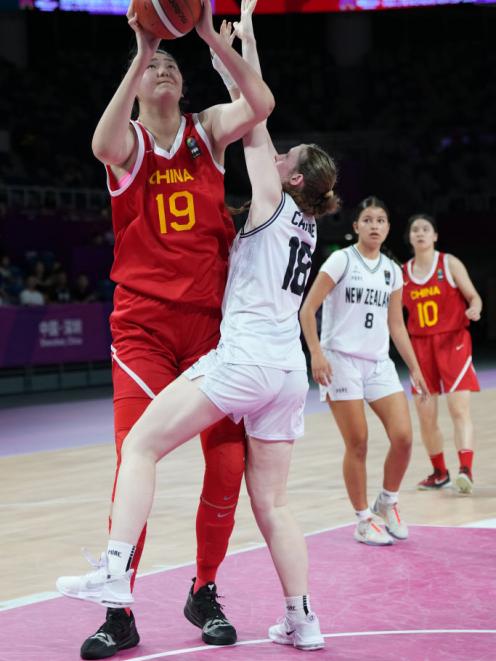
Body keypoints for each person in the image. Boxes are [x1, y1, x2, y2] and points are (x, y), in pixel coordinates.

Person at [57, 1, 338, 651]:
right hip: (231, 353)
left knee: (176, 454)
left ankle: (158, 577)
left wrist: (216, 36)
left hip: (228, 342)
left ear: (291, 176)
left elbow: (259, 113)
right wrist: (182, 42)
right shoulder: (305, 224)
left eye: (167, 62)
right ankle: (293, 615)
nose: (161, 66)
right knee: (259, 497)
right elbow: (108, 142)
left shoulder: (232, 156)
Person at [300, 196, 429, 546]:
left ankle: (387, 502)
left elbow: (397, 327)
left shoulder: (392, 270)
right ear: (356, 226)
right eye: (368, 220)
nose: (375, 225)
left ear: (388, 229)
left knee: (403, 437)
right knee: (357, 442)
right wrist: (316, 353)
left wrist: (414, 368)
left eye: (381, 221)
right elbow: (308, 308)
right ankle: (362, 519)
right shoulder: (341, 260)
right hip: (340, 360)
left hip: (378, 363)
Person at [402, 214, 482, 494]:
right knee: (425, 416)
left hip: (453, 343)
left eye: (426, 229)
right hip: (420, 348)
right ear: (410, 237)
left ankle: (466, 470)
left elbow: (473, 296)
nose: (420, 233)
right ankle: (439, 472)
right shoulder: (402, 273)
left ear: (435, 236)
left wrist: (475, 308)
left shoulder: (449, 263)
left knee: (458, 408)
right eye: (415, 230)